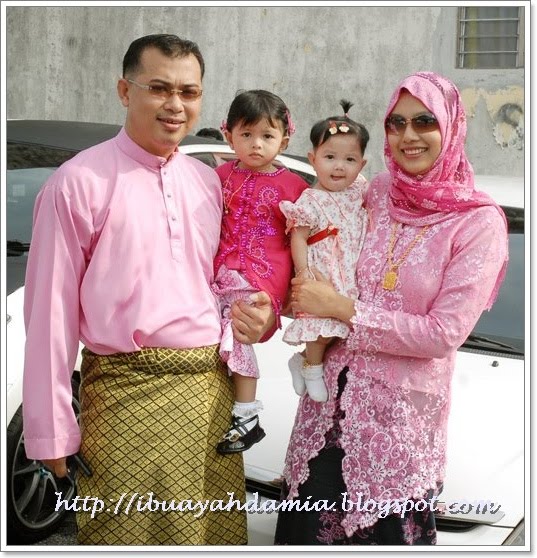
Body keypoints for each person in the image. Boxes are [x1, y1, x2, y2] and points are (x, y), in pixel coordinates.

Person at [22, 34, 275, 546]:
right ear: (124, 91)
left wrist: (261, 318)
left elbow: (230, 284)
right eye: (159, 88)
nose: (175, 104)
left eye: (189, 92)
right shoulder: (78, 183)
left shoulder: (207, 182)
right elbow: (49, 315)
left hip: (209, 400)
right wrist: (50, 430)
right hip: (125, 400)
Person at [274, 71, 509, 545]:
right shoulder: (375, 191)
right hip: (324, 416)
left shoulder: (478, 223)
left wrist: (342, 308)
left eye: (424, 121)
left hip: (397, 437)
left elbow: (442, 334)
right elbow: (314, 227)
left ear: (451, 126)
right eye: (396, 123)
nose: (408, 135)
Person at [213, 89, 309, 454]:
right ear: (229, 136)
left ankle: (247, 414)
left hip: (261, 281)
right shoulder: (218, 177)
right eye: (247, 134)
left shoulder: (295, 188)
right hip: (220, 276)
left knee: (238, 334)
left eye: (267, 136)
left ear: (284, 139)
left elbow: (310, 238)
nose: (256, 144)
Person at [280, 100, 369, 403]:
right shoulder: (309, 200)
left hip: (347, 271)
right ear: (313, 159)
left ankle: (301, 360)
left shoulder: (357, 191)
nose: (339, 166)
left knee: (338, 326)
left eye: (349, 159)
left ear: (361, 166)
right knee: (320, 327)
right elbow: (298, 237)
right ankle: (312, 368)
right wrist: (303, 271)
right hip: (322, 270)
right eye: (330, 157)